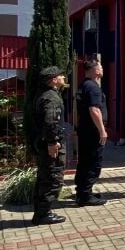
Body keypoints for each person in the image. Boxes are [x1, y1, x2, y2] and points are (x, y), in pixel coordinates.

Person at [33, 66, 68, 226]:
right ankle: (44, 213)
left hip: (43, 142)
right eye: (60, 75)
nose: (63, 77)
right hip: (51, 144)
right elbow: (51, 121)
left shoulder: (45, 94)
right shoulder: (51, 97)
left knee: (45, 176)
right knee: (52, 176)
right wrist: (53, 142)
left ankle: (41, 212)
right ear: (53, 79)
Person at [74, 56, 108, 206]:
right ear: (93, 70)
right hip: (92, 131)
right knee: (93, 162)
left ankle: (82, 191)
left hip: (84, 129)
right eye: (100, 67)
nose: (102, 69)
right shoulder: (93, 87)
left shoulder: (83, 85)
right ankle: (85, 195)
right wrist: (102, 130)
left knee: (84, 161)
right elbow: (94, 109)